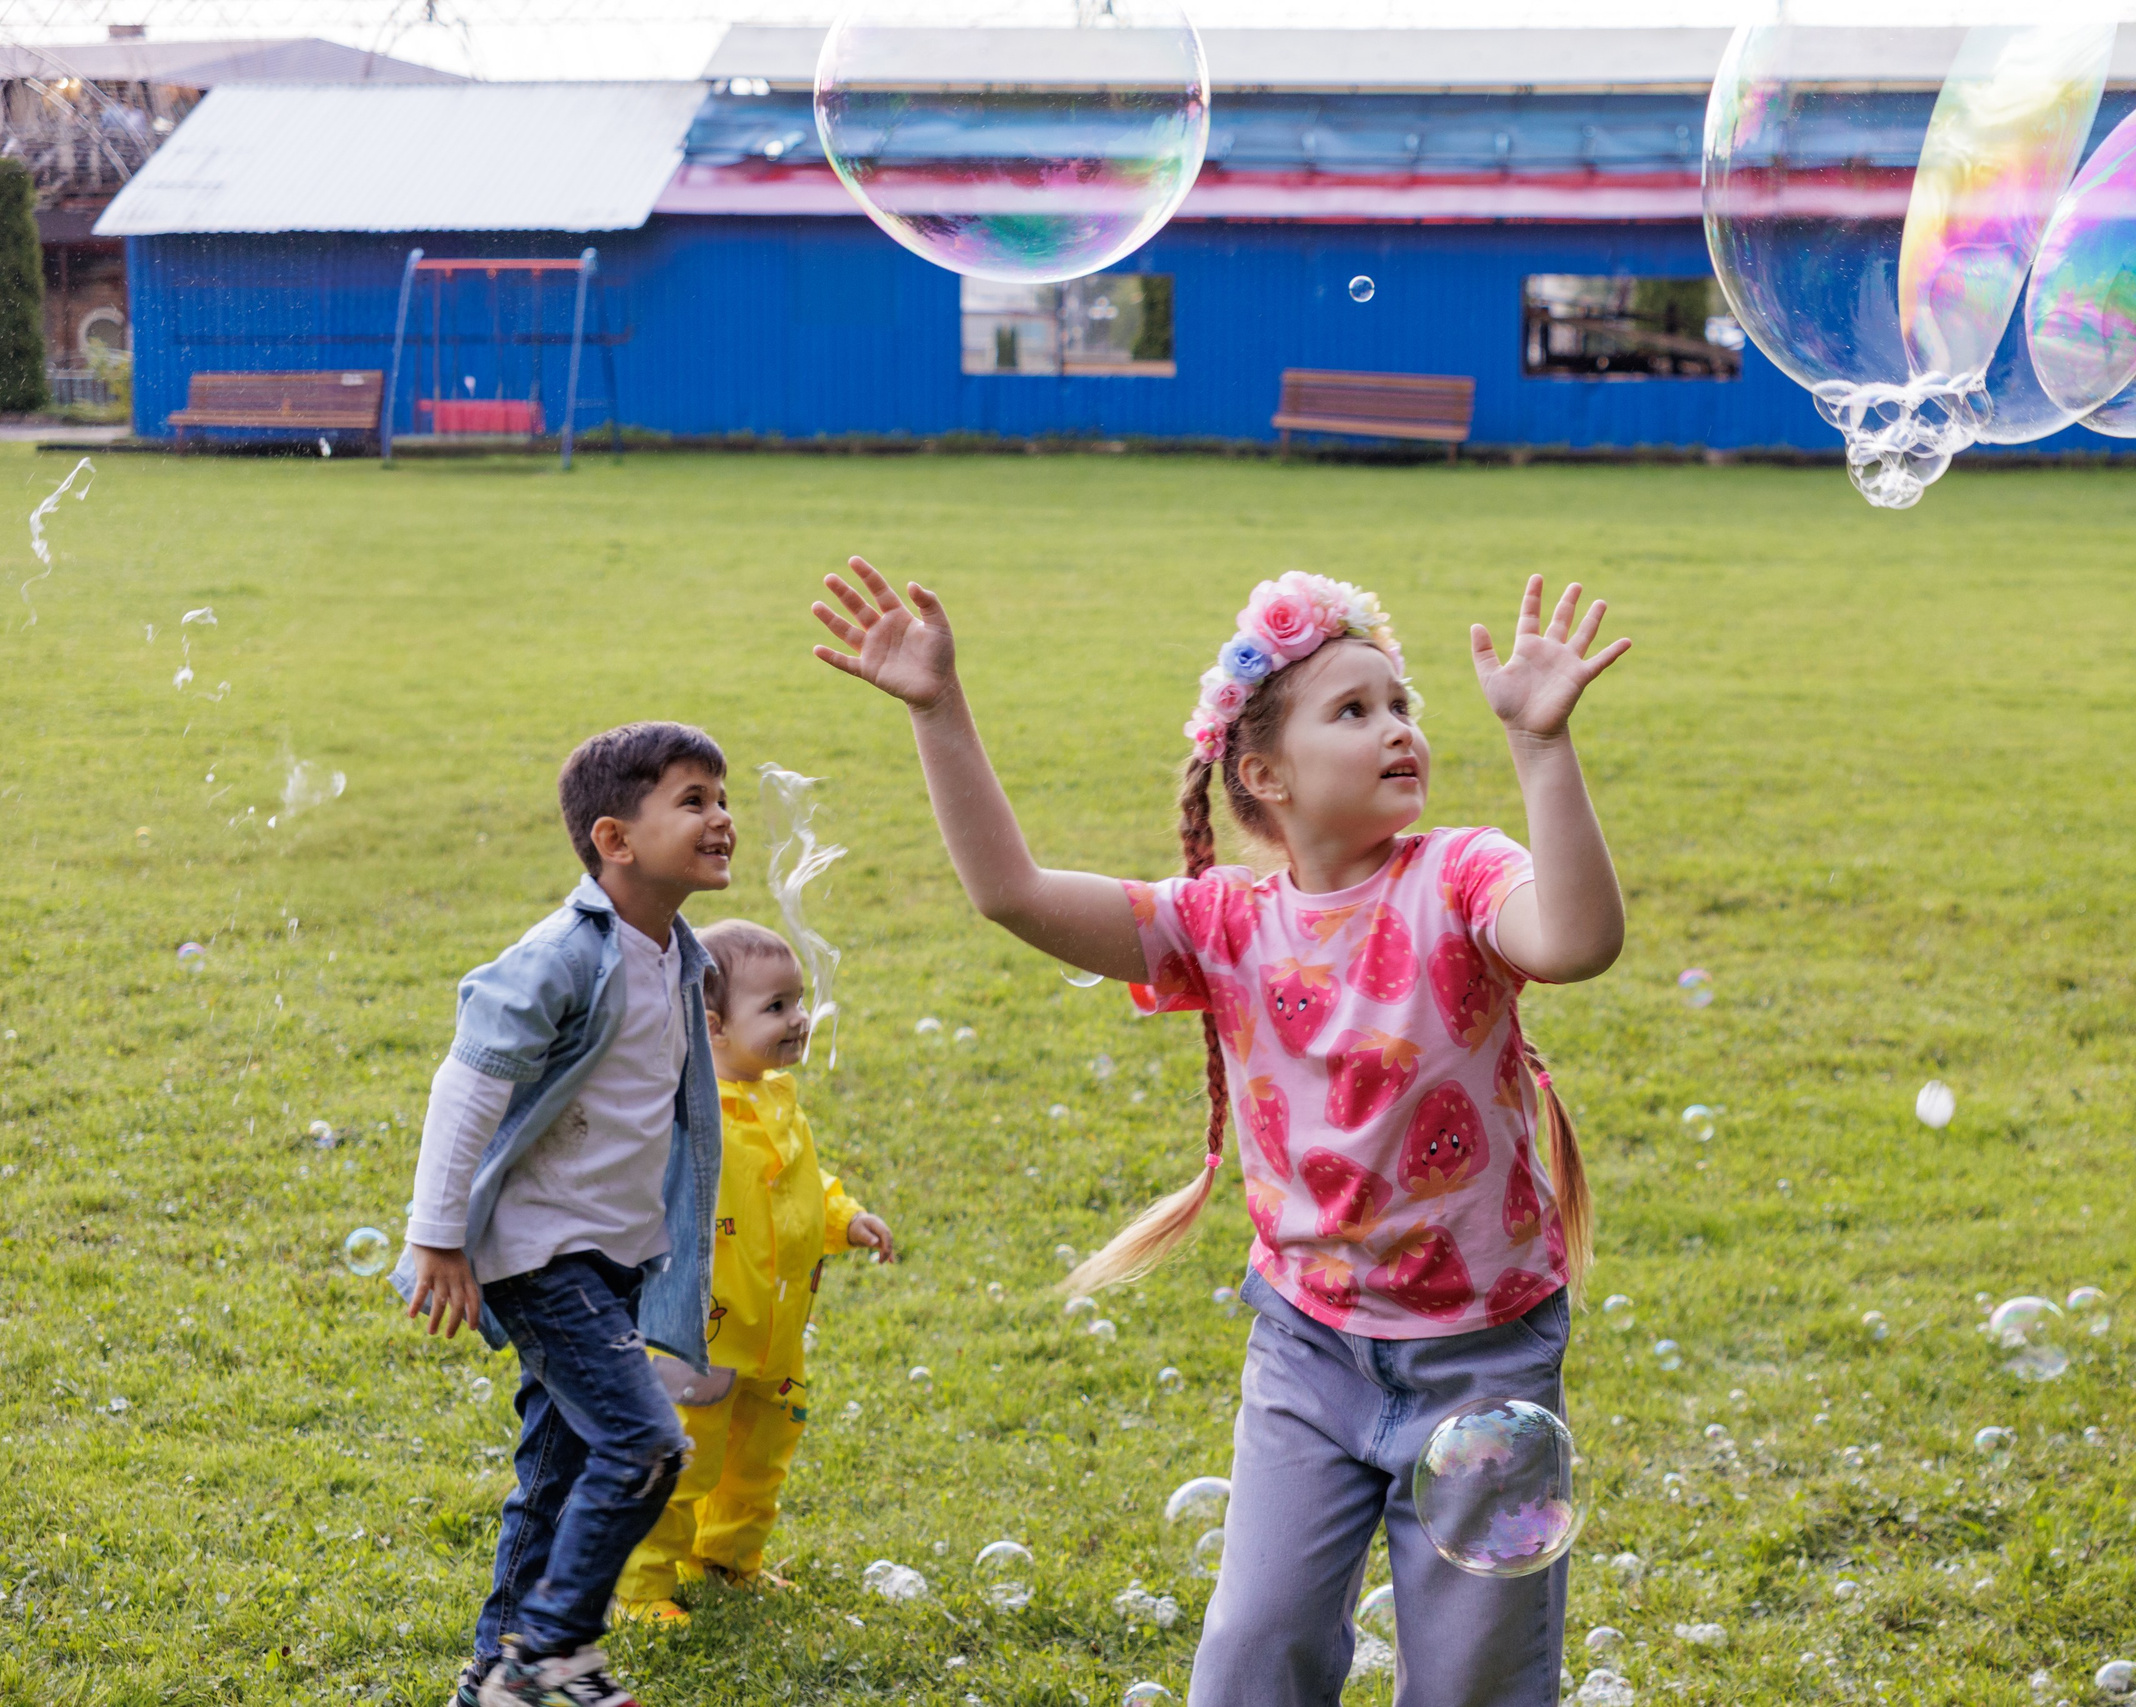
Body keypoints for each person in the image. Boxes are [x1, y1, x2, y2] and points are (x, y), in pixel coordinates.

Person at [811, 561, 1629, 1707]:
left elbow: (1577, 939)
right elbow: (1013, 893)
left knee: (1474, 1684)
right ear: (1263, 775)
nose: (1396, 729)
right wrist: (937, 710)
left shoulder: (1460, 875)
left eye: (1402, 706)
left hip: (1483, 1354)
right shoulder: (1223, 927)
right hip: (1308, 1353)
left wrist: (1544, 749)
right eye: (1353, 711)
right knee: (1252, 1655)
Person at [394, 722, 735, 1707]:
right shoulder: (560, 957)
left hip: (615, 1253)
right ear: (614, 840)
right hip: (543, 1253)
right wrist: (438, 1238)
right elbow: (467, 1089)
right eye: (692, 801)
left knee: (558, 1470)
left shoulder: (676, 950)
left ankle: (495, 1678)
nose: (720, 820)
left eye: (721, 799)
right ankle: (553, 1650)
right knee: (646, 1444)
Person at [612, 919, 896, 1625]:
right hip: (700, 1333)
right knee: (681, 1461)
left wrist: (843, 1217)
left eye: (797, 1001)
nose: (798, 1019)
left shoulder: (777, 1099)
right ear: (713, 1025)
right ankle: (642, 1584)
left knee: (759, 1460)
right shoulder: (688, 1112)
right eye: (775, 1008)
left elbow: (799, 1186)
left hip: (775, 1330)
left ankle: (728, 1559)